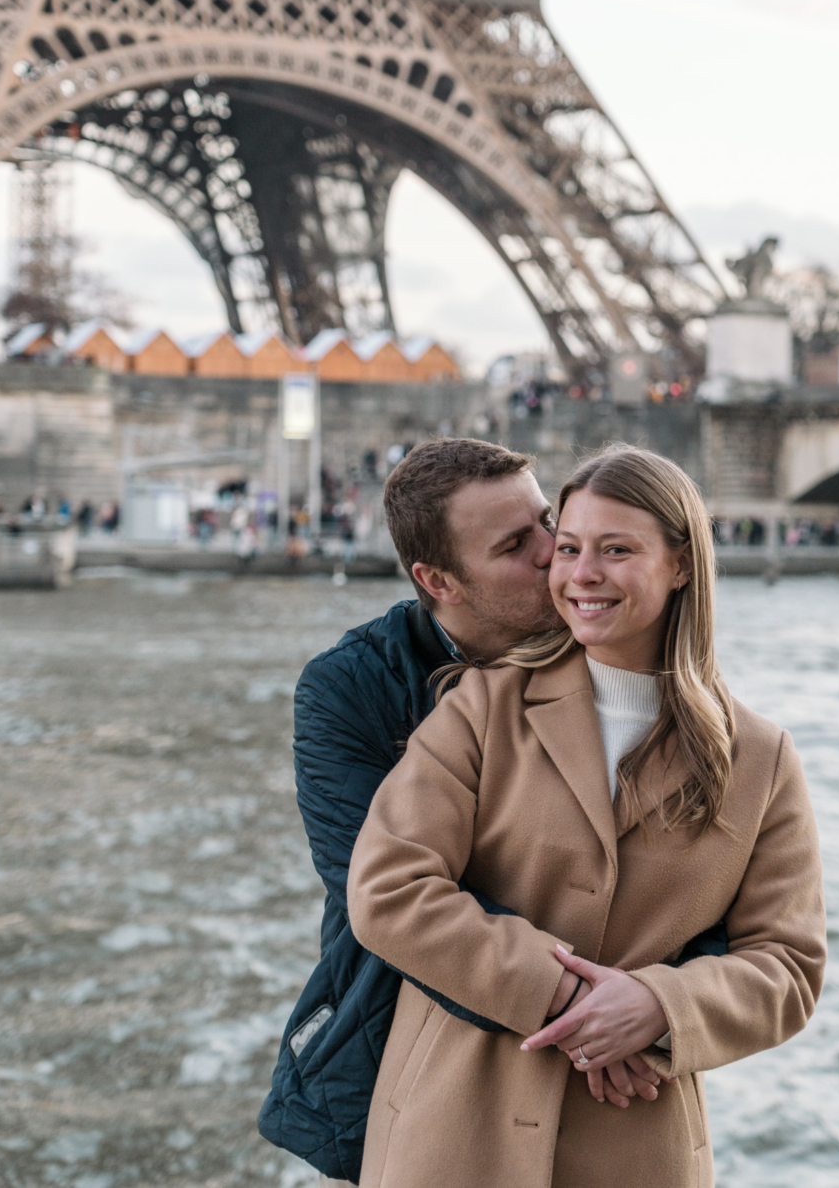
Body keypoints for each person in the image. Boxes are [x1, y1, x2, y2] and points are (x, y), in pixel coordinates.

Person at [347, 445, 827, 1188]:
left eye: (617, 550)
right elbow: (388, 889)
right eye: (567, 548)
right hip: (452, 1132)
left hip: (638, 1149)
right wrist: (570, 999)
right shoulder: (480, 708)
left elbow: (789, 966)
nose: (581, 573)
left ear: (682, 565)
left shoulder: (761, 759)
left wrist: (660, 1007)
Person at [260, 439, 725, 1184]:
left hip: (613, 1070)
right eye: (518, 545)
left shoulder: (628, 661)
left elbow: (705, 895)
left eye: (549, 521)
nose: (556, 554)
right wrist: (590, 1013)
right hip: (418, 1052)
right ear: (437, 579)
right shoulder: (347, 690)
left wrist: (662, 1010)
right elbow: (382, 889)